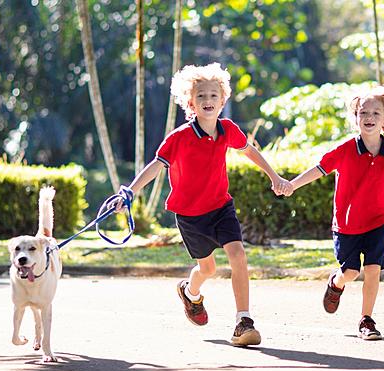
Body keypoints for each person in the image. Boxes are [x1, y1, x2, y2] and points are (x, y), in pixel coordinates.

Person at [117, 63, 291, 346]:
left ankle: (243, 321)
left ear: (223, 100)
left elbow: (250, 151)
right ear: (190, 102)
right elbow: (155, 166)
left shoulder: (227, 129)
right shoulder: (179, 138)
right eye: (201, 96)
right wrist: (130, 191)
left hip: (221, 207)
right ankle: (190, 292)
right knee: (207, 269)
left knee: (238, 254)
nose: (208, 101)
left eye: (213, 96)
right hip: (190, 215)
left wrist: (274, 176)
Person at [283, 86, 384, 340]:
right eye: (363, 111)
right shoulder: (345, 149)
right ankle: (336, 283)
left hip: (378, 222)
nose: (369, 116)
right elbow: (319, 169)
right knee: (351, 272)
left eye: (376, 112)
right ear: (356, 118)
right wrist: (292, 184)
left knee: (374, 268)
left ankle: (367, 320)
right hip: (346, 225)